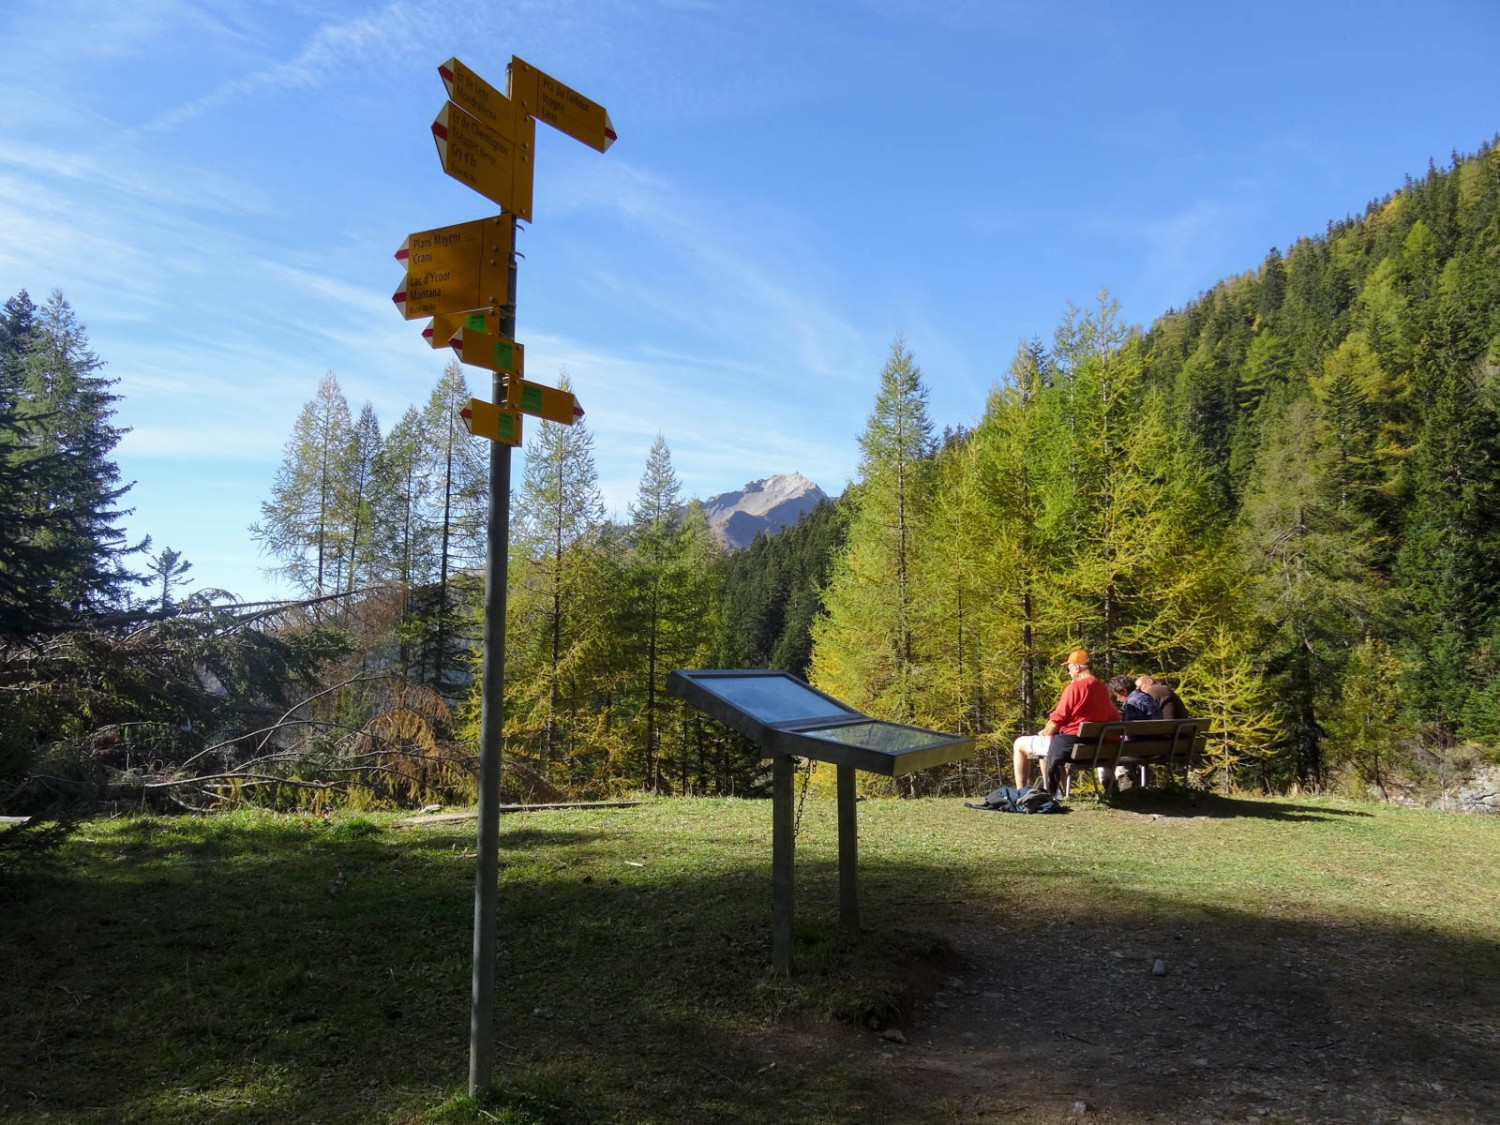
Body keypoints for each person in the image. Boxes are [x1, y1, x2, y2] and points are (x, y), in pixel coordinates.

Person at [1013, 650, 1120, 794]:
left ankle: (1020, 792)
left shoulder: (1074, 688)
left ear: (1077, 667)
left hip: (1071, 746)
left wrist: (1043, 732)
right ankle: (1059, 791)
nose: (1068, 672)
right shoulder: (1102, 689)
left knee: (1019, 743)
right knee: (1049, 748)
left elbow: (1055, 722)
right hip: (1094, 746)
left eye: (1068, 668)